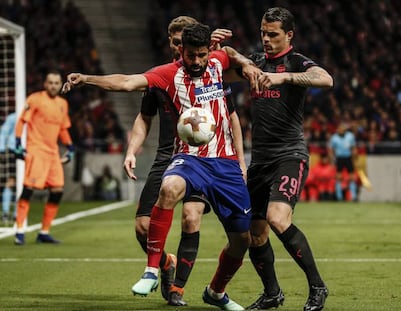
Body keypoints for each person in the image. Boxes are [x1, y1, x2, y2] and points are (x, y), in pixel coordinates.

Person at [63, 22, 261, 311]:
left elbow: (229, 54)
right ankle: (152, 271)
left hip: (225, 162)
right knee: (168, 189)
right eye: (190, 55)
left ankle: (216, 292)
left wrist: (244, 62)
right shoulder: (168, 74)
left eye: (201, 55)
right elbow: (127, 82)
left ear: (209, 52)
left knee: (243, 239)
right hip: (189, 158)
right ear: (181, 50)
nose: (196, 61)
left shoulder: (218, 62)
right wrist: (87, 79)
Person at [123, 16, 239, 306]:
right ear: (172, 43)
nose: (179, 49)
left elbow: (231, 113)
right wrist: (131, 150)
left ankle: (177, 289)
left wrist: (239, 159)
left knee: (190, 218)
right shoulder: (162, 77)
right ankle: (164, 263)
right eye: (176, 43)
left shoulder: (211, 72)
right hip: (167, 156)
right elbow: (144, 118)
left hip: (202, 157)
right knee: (142, 227)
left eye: (183, 44)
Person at [244, 7, 333, 311]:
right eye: (263, 33)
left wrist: (285, 79)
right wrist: (222, 47)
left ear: (289, 35)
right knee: (255, 234)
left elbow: (326, 79)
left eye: (273, 34)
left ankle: (318, 287)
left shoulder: (296, 62)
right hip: (259, 160)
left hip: (289, 155)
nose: (266, 39)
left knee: (277, 218)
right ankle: (272, 294)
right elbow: (228, 60)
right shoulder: (255, 62)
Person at [14, 70, 74, 245]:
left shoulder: (63, 104)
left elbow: (63, 128)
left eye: (56, 83)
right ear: (45, 84)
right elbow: (21, 121)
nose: (53, 86)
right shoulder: (35, 99)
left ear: (60, 84)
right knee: (28, 190)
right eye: (50, 82)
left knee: (57, 191)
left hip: (53, 153)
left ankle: (44, 232)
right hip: (36, 151)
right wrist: (18, 143)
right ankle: (19, 231)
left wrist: (70, 147)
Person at [328, 123, 358, 201]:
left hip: (348, 158)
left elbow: (353, 148)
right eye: (340, 129)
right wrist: (332, 159)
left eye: (343, 129)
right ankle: (339, 197)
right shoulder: (334, 137)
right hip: (339, 158)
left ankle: (353, 196)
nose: (341, 130)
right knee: (338, 177)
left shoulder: (350, 136)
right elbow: (331, 149)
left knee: (352, 177)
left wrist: (354, 158)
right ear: (338, 129)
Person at [0, 112, 17, 224]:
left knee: (23, 183)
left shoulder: (34, 115)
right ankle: (7, 213)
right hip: (14, 151)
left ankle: (15, 213)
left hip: (29, 151)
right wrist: (1, 150)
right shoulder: (13, 117)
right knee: (11, 181)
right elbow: (4, 132)